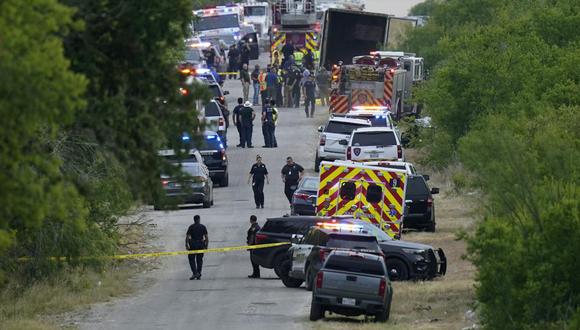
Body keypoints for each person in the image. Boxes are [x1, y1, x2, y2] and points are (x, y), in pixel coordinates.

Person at [186, 215, 208, 280]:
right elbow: (206, 237)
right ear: (199, 219)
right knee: (199, 260)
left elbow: (187, 236)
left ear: (194, 220)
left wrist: (186, 244)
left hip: (193, 245)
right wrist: (206, 245)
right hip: (201, 245)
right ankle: (198, 273)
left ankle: (195, 273)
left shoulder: (191, 227)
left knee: (191, 259)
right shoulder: (203, 227)